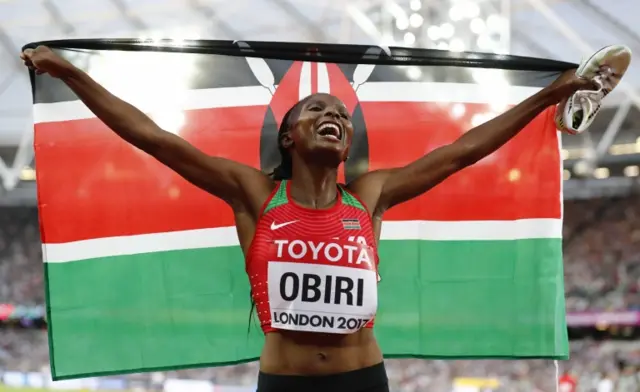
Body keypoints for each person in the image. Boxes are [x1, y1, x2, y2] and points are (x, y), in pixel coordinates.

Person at [21, 45, 606, 392]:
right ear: (288, 135)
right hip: (287, 384)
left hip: (363, 378)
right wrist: (71, 74)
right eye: (317, 111)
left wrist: (546, 97)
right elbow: (149, 136)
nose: (334, 117)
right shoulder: (253, 194)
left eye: (341, 115)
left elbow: (462, 152)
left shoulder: (370, 195)